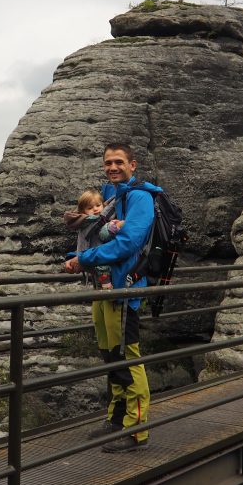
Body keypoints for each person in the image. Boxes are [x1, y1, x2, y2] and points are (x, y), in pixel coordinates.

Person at [64, 143, 157, 453]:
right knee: (109, 355)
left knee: (128, 358)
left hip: (124, 289)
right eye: (108, 162)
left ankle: (137, 429)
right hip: (104, 288)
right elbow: (97, 235)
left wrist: (87, 259)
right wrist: (77, 257)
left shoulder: (140, 197)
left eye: (119, 162)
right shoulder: (114, 196)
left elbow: (129, 243)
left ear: (133, 164)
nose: (113, 167)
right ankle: (117, 419)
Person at [63, 189, 123, 290]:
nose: (95, 209)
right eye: (90, 208)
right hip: (96, 258)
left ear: (103, 205)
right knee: (104, 272)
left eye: (98, 205)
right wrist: (116, 225)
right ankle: (107, 286)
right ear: (83, 211)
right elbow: (104, 234)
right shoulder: (93, 221)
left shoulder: (82, 222)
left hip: (85, 255)